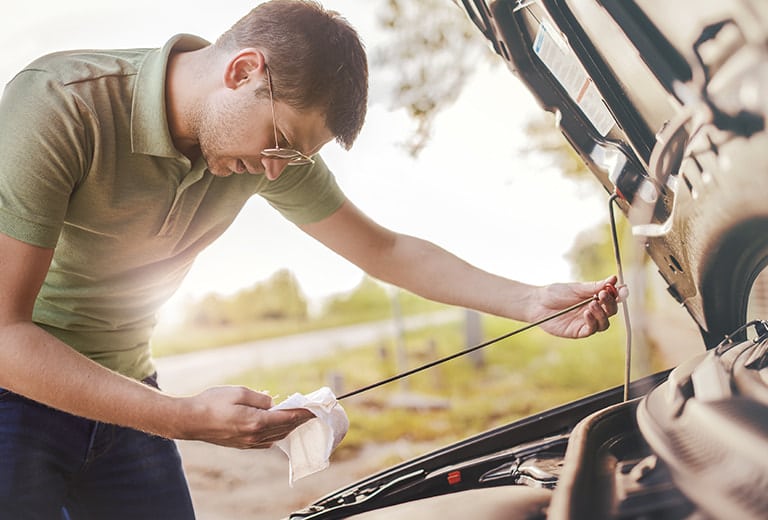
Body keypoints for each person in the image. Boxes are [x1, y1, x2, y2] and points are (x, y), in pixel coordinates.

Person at [0, 0, 623, 517]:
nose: (275, 170)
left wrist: (529, 302)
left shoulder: (262, 152)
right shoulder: (60, 106)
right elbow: (6, 335)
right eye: (280, 144)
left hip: (129, 393)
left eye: (293, 158)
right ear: (244, 70)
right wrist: (181, 418)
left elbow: (385, 249)